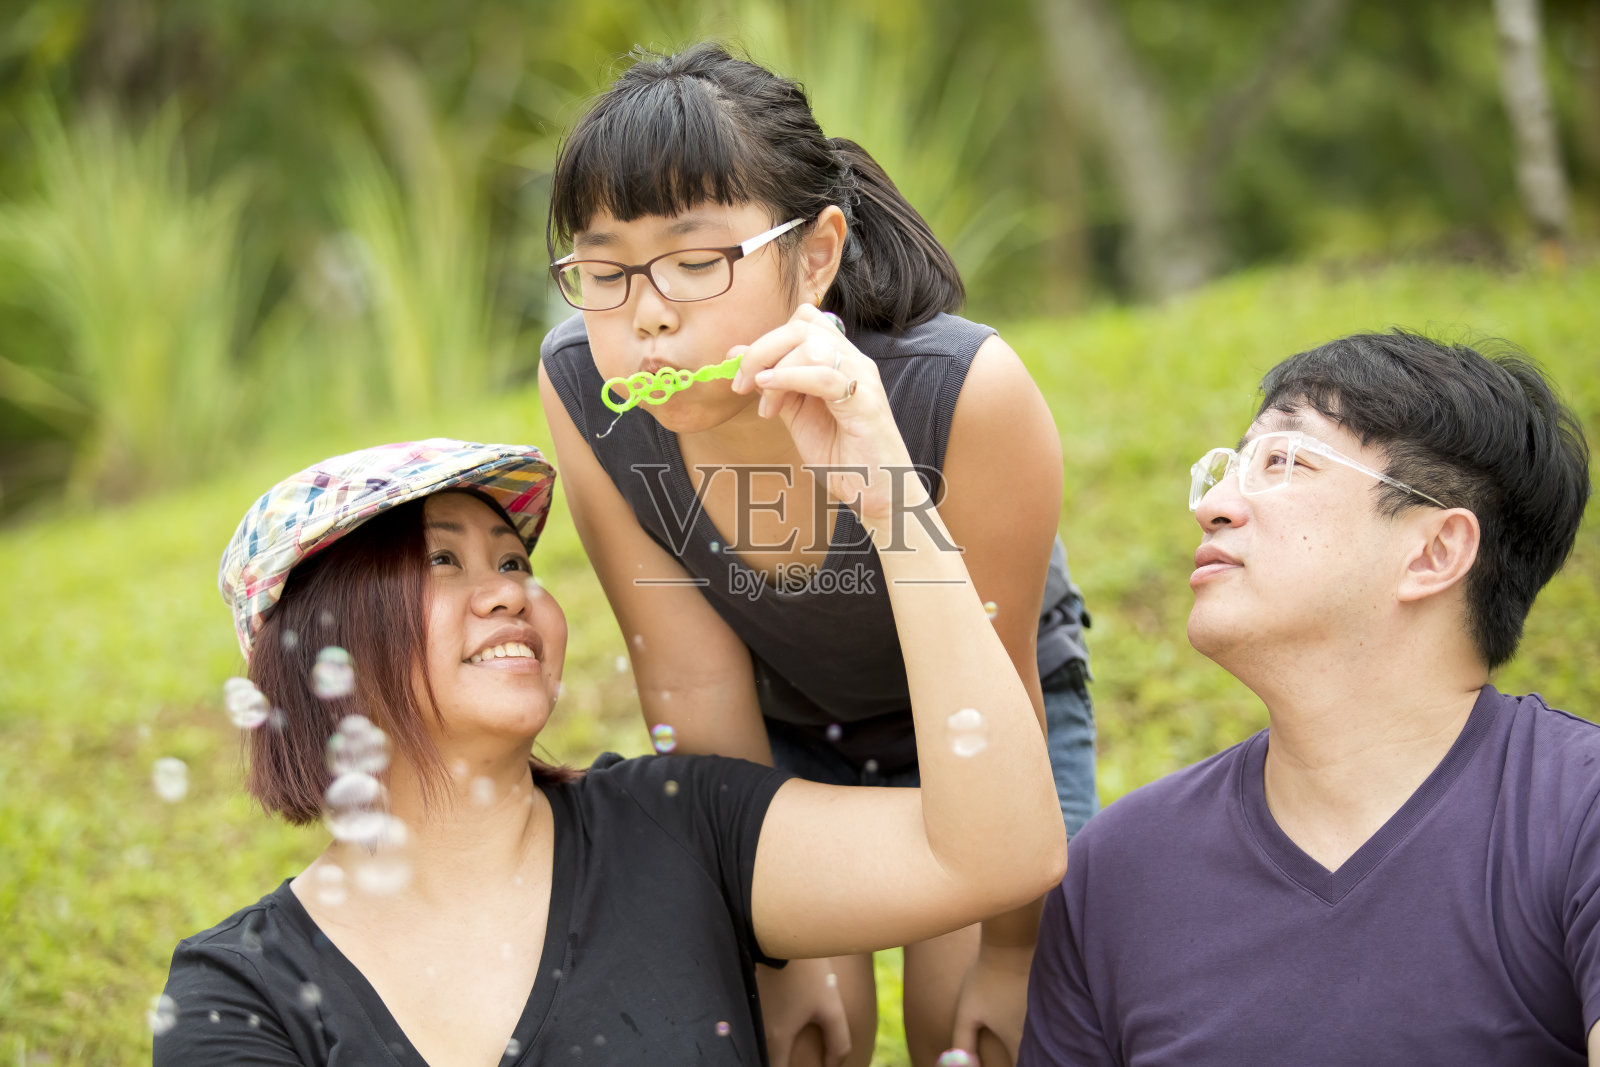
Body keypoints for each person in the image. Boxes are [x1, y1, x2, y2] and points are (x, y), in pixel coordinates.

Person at [153, 435, 1066, 1065]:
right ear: (320, 652)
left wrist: (888, 499)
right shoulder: (241, 991)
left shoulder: (677, 828)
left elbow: (1000, 853)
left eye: (513, 562)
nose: (509, 593)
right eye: (443, 561)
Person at [537, 42, 1093, 1066]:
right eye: (605, 272)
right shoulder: (583, 390)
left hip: (978, 722)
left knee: (966, 1028)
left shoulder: (959, 390)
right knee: (795, 1037)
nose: (648, 311)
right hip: (781, 731)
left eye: (696, 260)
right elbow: (692, 680)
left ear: (816, 253)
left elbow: (996, 678)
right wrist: (774, 957)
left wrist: (1015, 954)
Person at [1019, 331, 1595, 1066]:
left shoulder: (1577, 816)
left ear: (1435, 551)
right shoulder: (1117, 869)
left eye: (1284, 461)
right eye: (1230, 468)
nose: (1214, 506)